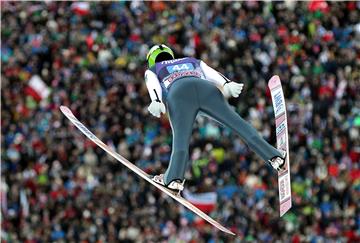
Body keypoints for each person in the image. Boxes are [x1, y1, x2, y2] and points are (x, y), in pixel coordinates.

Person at [144, 44, 286, 193]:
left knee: (181, 140)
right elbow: (209, 72)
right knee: (238, 124)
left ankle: (173, 179)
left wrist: (156, 100)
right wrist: (227, 83)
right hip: (206, 89)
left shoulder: (153, 69)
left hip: (179, 95)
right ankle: (275, 157)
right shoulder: (190, 60)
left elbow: (152, 83)